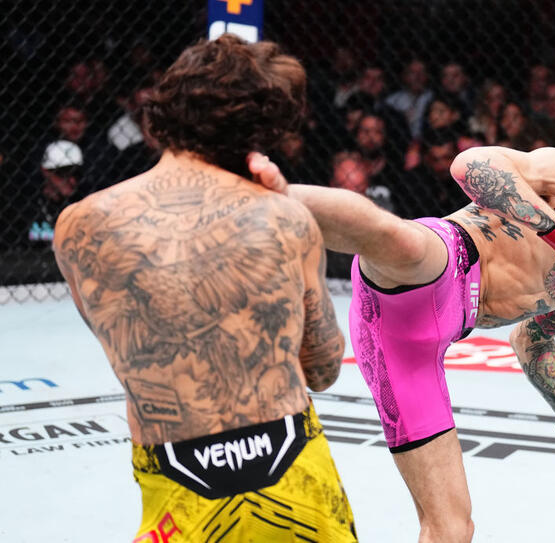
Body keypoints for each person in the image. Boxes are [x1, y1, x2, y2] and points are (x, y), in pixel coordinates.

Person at [250, 113, 555, 542]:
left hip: (410, 348)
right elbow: (468, 165)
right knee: (398, 240)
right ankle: (254, 196)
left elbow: (533, 339)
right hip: (445, 260)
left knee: (453, 529)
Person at [52, 35, 357, 542]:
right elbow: (322, 369)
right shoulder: (285, 218)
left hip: (173, 474)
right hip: (291, 466)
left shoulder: (79, 227)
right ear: (262, 132)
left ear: (165, 111)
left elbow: (124, 345)